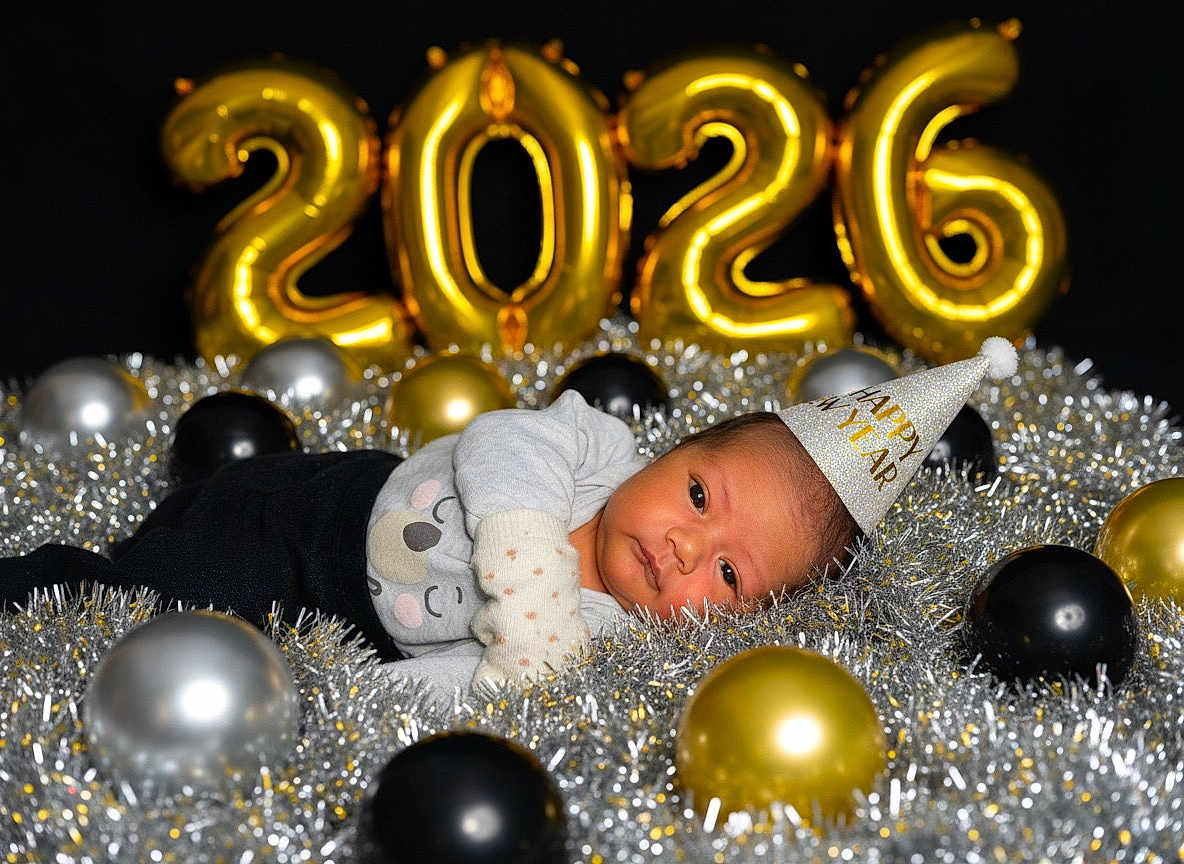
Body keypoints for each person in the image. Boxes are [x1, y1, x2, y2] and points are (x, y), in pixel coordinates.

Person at [0, 338, 1018, 706]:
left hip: (337, 619)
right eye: (700, 498)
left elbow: (477, 681)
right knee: (133, 596)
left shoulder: (606, 636)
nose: (682, 549)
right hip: (303, 510)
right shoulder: (590, 451)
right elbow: (495, 442)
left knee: (200, 653)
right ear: (670, 453)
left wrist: (372, 704)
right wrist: (529, 563)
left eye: (727, 578)